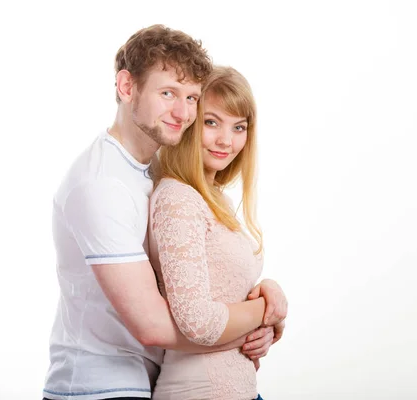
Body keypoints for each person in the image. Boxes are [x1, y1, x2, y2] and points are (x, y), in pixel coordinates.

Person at [43, 25, 286, 400]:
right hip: (97, 387)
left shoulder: (155, 169)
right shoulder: (101, 184)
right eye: (168, 93)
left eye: (191, 98)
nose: (183, 111)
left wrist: (256, 317)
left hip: (146, 377)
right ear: (127, 88)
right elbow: (156, 326)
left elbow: (203, 282)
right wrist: (261, 314)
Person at [148, 66, 284, 400]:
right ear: (189, 121)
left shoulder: (213, 196)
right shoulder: (177, 198)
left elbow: (221, 290)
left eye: (239, 127)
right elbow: (197, 321)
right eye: (212, 122)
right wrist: (269, 310)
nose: (227, 140)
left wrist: (266, 292)